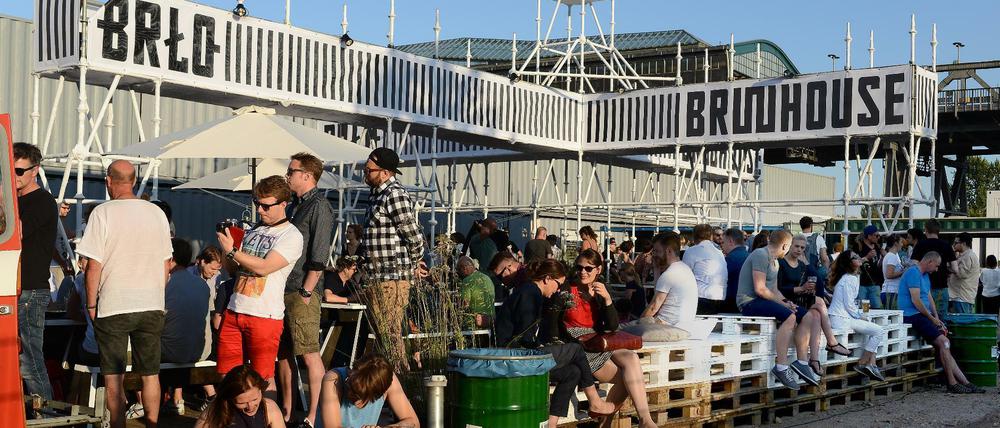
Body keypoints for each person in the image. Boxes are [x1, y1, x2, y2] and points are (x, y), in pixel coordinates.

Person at [76, 160, 173, 428]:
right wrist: (156, 293)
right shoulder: (156, 213)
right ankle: (152, 424)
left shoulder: (103, 213)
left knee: (114, 378)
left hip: (114, 304)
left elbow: (93, 265)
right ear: (133, 180)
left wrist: (91, 304)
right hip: (151, 302)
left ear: (109, 180)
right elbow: (166, 264)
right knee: (150, 374)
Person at [493, 259, 616, 427]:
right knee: (575, 349)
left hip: (520, 354)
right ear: (547, 279)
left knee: (573, 372)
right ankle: (595, 401)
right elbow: (524, 336)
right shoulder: (530, 293)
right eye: (558, 284)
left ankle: (551, 424)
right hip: (516, 357)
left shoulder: (531, 292)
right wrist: (542, 347)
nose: (558, 290)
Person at [216, 176, 304, 398]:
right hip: (235, 309)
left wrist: (233, 251)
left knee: (263, 378)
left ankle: (268, 420)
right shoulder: (254, 229)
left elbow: (265, 267)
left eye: (266, 205)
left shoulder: (291, 235)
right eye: (257, 203)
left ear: (284, 204)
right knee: (227, 377)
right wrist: (228, 246)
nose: (260, 210)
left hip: (265, 315)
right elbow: (232, 270)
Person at [562, 250, 656, 428]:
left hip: (598, 338)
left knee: (632, 358)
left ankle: (645, 419)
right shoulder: (568, 288)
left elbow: (612, 325)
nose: (583, 272)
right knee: (625, 379)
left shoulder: (600, 288)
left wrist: (606, 299)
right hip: (579, 341)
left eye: (588, 268)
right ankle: (607, 422)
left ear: (598, 269)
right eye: (579, 267)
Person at [277, 153, 335, 426]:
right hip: (284, 286)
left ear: (307, 175)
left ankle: (314, 415)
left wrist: (307, 291)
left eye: (291, 171)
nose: (287, 175)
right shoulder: (294, 207)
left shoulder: (319, 207)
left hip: (302, 288)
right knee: (284, 353)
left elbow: (319, 254)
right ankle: (286, 412)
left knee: (309, 353)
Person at [358, 147, 427, 372]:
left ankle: (401, 385)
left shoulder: (394, 194)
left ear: (385, 172)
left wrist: (414, 262)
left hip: (391, 278)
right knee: (383, 336)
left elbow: (414, 235)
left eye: (369, 170)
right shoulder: (376, 194)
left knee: (389, 336)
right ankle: (390, 387)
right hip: (376, 277)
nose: (365, 174)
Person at [735, 230, 822, 390]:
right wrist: (784, 306)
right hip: (749, 301)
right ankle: (781, 367)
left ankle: (802, 362)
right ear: (785, 245)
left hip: (762, 300)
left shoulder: (774, 261)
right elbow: (760, 289)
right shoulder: (760, 255)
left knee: (807, 316)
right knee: (790, 317)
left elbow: (774, 290)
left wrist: (786, 302)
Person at [898, 252, 984, 393]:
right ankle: (952, 383)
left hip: (924, 315)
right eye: (936, 266)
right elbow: (916, 301)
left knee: (945, 344)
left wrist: (936, 318)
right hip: (912, 315)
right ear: (929, 261)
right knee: (944, 342)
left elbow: (929, 297)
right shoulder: (913, 273)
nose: (937, 269)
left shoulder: (924, 276)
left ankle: (965, 382)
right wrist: (932, 319)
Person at [13, 142, 58, 401]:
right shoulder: (16, 200)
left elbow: (15, 233)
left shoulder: (42, 202)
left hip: (30, 291)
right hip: (16, 288)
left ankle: (46, 411)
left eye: (19, 171)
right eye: (11, 170)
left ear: (35, 170)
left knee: (30, 361)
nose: (15, 176)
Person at [777, 234, 850, 375]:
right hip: (785, 301)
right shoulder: (781, 263)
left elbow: (818, 281)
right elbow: (778, 289)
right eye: (796, 246)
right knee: (820, 303)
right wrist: (801, 289)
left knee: (816, 315)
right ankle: (832, 342)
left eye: (802, 248)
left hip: (800, 299)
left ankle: (814, 359)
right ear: (789, 246)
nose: (799, 250)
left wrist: (807, 271)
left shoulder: (800, 265)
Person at [161, 238, 212, 416]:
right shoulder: (202, 285)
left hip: (171, 352)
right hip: (199, 351)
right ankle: (176, 399)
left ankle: (140, 402)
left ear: (170, 259)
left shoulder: (165, 285)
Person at [827, 251, 886, 381]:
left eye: (858, 255)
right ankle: (863, 363)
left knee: (872, 329)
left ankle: (871, 364)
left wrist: (859, 315)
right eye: (854, 257)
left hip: (843, 316)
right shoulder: (849, 278)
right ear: (849, 263)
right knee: (878, 330)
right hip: (841, 318)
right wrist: (859, 315)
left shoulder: (852, 277)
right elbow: (849, 304)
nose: (858, 258)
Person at [318, 354, 418, 428]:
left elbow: (413, 423)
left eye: (359, 395)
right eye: (350, 384)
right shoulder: (333, 379)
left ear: (377, 394)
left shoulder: (388, 381)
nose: (350, 393)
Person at [640, 231, 698, 332]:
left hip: (666, 327)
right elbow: (657, 296)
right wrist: (656, 270)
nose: (654, 255)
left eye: (657, 251)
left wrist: (638, 324)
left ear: (669, 251)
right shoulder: (684, 269)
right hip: (682, 326)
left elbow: (653, 307)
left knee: (622, 329)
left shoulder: (670, 274)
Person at [195, 365, 285, 428]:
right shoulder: (216, 410)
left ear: (261, 391)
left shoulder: (269, 408)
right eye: (242, 403)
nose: (250, 406)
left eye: (255, 399)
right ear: (230, 399)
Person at [910, 219, 956, 315]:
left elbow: (913, 265)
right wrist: (946, 270)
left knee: (924, 317)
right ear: (938, 231)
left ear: (926, 230)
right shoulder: (946, 245)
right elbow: (955, 268)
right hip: (941, 286)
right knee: (941, 319)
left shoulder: (920, 245)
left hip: (923, 287)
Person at [683, 224, 728, 315]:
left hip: (701, 298)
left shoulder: (692, 251)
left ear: (694, 237)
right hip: (720, 297)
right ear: (711, 236)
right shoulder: (719, 253)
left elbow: (684, 275)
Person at [456, 256, 495, 328]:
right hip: (491, 320)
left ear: (464, 268)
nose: (459, 274)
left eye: (459, 270)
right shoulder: (487, 277)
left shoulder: (467, 281)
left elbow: (465, 304)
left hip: (475, 321)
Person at [947, 232, 980, 314]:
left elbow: (961, 274)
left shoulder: (968, 256)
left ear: (963, 244)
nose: (953, 245)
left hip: (962, 297)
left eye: (956, 243)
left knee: (962, 324)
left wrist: (949, 268)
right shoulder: (963, 256)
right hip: (959, 296)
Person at [853, 225, 884, 309]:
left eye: (879, 235)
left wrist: (883, 258)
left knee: (877, 308)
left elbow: (877, 264)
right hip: (862, 284)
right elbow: (854, 262)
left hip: (875, 283)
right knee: (863, 309)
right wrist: (867, 257)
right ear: (869, 236)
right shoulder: (859, 247)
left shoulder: (877, 247)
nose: (878, 238)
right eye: (876, 235)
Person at [721, 228, 749, 313]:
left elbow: (721, 280)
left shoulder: (730, 259)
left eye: (723, 242)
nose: (722, 245)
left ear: (730, 241)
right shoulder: (750, 256)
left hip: (732, 303)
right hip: (749, 301)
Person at [799, 217, 830, 281]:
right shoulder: (818, 238)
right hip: (814, 273)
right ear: (811, 225)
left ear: (801, 226)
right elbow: (824, 259)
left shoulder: (796, 238)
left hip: (798, 273)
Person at [881, 235, 906, 310]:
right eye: (901, 242)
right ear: (896, 243)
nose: (902, 244)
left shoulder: (891, 256)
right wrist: (904, 271)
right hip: (891, 292)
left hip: (891, 291)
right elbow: (889, 274)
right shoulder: (892, 256)